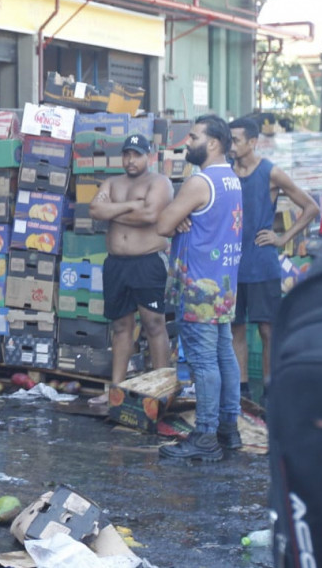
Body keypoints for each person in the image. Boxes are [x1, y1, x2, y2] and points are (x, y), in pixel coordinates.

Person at [155, 115, 243, 461]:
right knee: (224, 356)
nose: (187, 143)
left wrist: (178, 217)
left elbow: (163, 224)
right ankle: (228, 428)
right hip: (223, 283)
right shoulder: (231, 179)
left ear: (214, 143)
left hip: (198, 285)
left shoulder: (200, 181)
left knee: (205, 362)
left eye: (194, 137)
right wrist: (183, 217)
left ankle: (205, 435)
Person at [228, 117, 318, 399]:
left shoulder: (271, 172)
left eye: (236, 140)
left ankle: (270, 390)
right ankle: (242, 391)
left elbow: (311, 207)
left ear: (253, 142)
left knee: (267, 329)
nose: (231, 146)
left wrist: (282, 238)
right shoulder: (225, 172)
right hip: (231, 264)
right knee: (235, 327)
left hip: (261, 264)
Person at [87, 133, 174, 404]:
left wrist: (113, 211)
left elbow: (150, 215)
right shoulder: (112, 182)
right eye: (127, 154)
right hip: (116, 264)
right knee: (121, 326)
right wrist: (130, 206)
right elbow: (95, 210)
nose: (131, 160)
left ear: (149, 156)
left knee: (154, 324)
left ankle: (161, 391)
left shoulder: (159, 182)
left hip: (147, 262)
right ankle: (115, 390)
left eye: (137, 154)